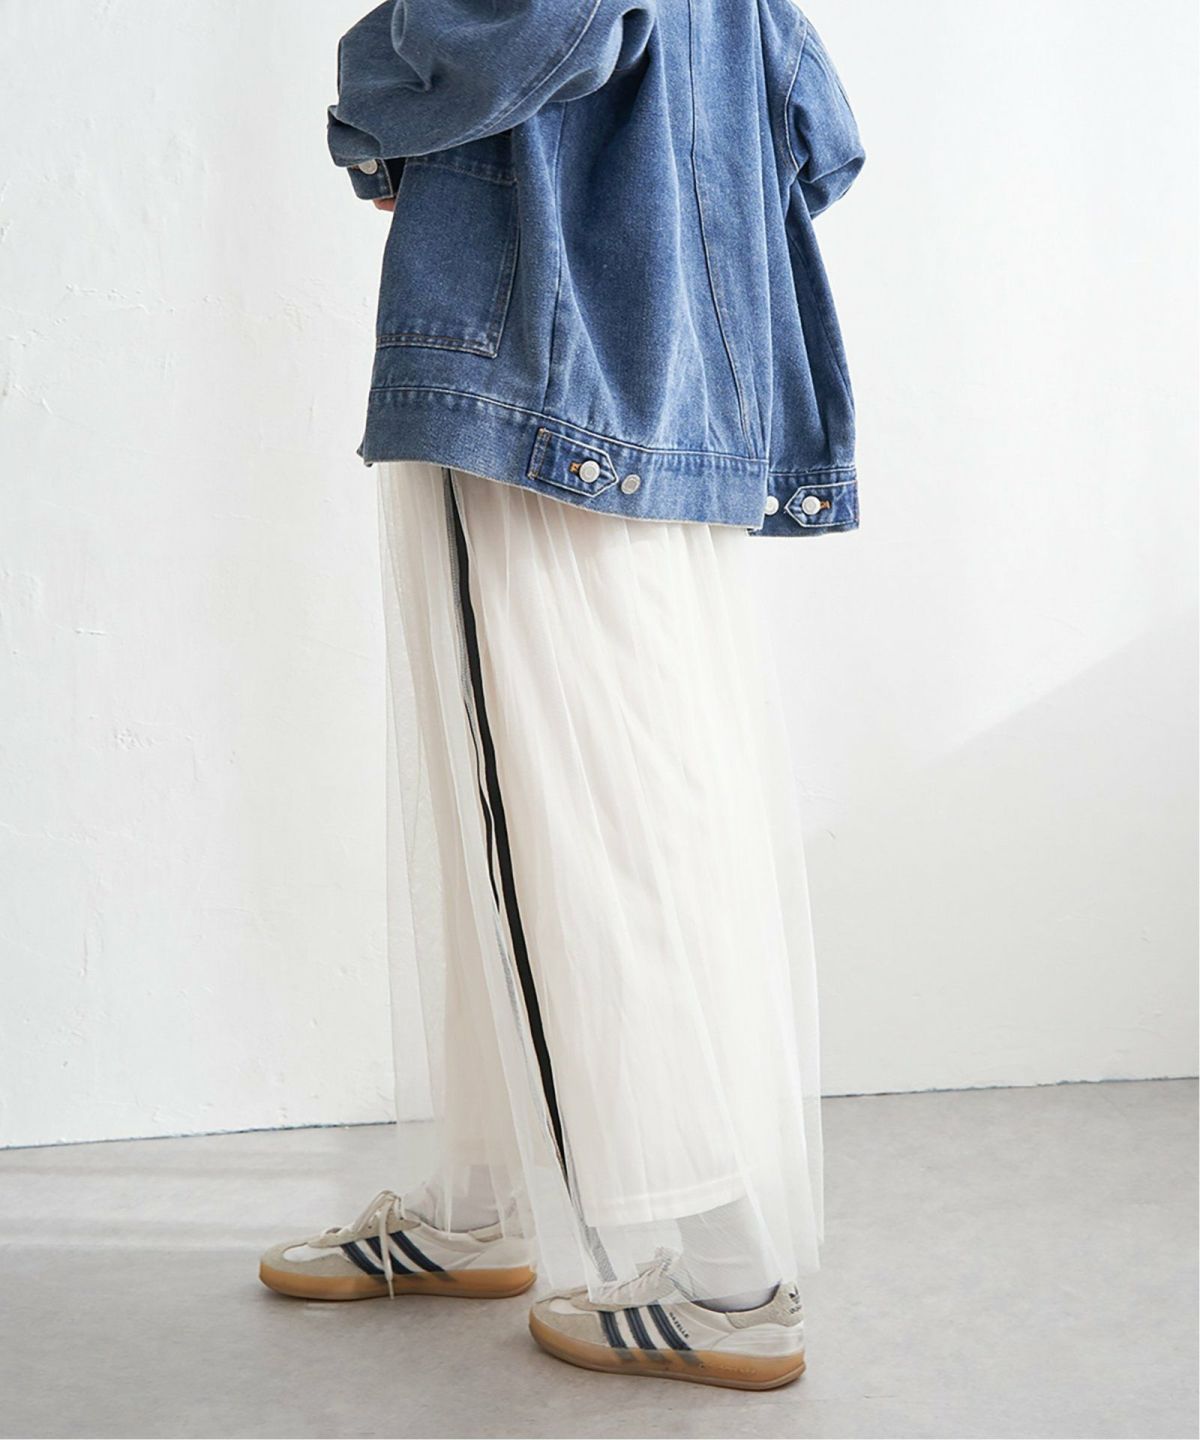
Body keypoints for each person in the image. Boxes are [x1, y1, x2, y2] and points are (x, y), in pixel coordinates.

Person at [258, 0, 864, 1391]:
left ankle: (728, 1282)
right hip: (656, 380)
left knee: (573, 824)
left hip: (535, 361)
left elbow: (532, 27)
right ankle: (481, 1204)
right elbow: (816, 128)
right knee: (552, 807)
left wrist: (370, 87)